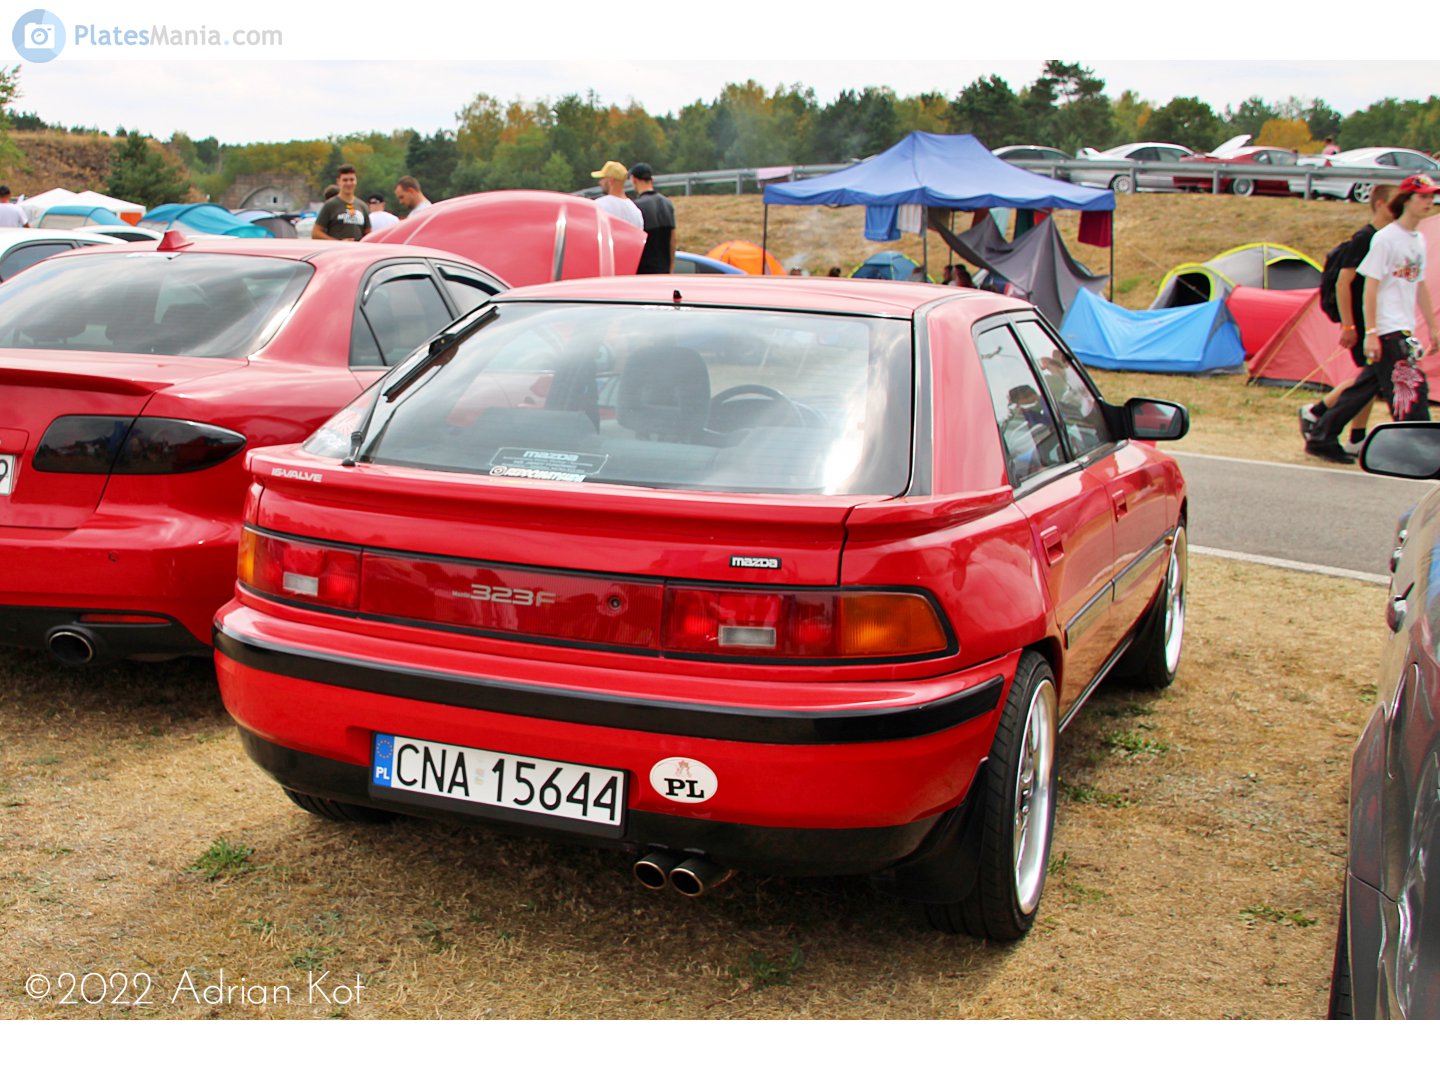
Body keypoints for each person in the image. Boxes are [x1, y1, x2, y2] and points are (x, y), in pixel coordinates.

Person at [1306, 175, 1440, 462]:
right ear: (1406, 200)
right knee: (1410, 388)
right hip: (1388, 328)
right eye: (1423, 197)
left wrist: (1433, 326)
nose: (1429, 203)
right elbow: (1370, 287)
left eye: (1431, 197)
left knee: (1366, 387)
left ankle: (1321, 434)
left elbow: (1420, 285)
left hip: (1405, 327)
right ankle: (1417, 448)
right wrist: (1371, 331)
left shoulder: (1417, 240)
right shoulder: (1385, 239)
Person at [1299, 184, 1398, 452]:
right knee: (1367, 379)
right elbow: (1344, 283)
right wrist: (1348, 325)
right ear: (1379, 205)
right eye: (1394, 203)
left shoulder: (1386, 238)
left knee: (1368, 379)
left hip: (1375, 321)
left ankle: (1350, 432)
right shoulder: (1365, 239)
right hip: (1360, 321)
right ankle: (1320, 414)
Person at [628, 162, 676, 274]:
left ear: (634, 180)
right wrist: (671, 266)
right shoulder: (667, 204)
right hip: (664, 270)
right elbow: (673, 240)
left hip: (645, 271)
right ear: (651, 180)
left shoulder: (637, 206)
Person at [311, 165, 370, 241]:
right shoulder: (330, 205)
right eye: (345, 180)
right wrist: (338, 242)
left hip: (357, 251)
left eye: (352, 180)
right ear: (338, 181)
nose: (349, 183)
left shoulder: (362, 206)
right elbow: (316, 233)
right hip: (337, 251)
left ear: (356, 181)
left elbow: (368, 234)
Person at [589, 160, 643, 230]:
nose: (600, 182)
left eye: (603, 179)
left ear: (611, 181)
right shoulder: (636, 212)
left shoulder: (598, 206)